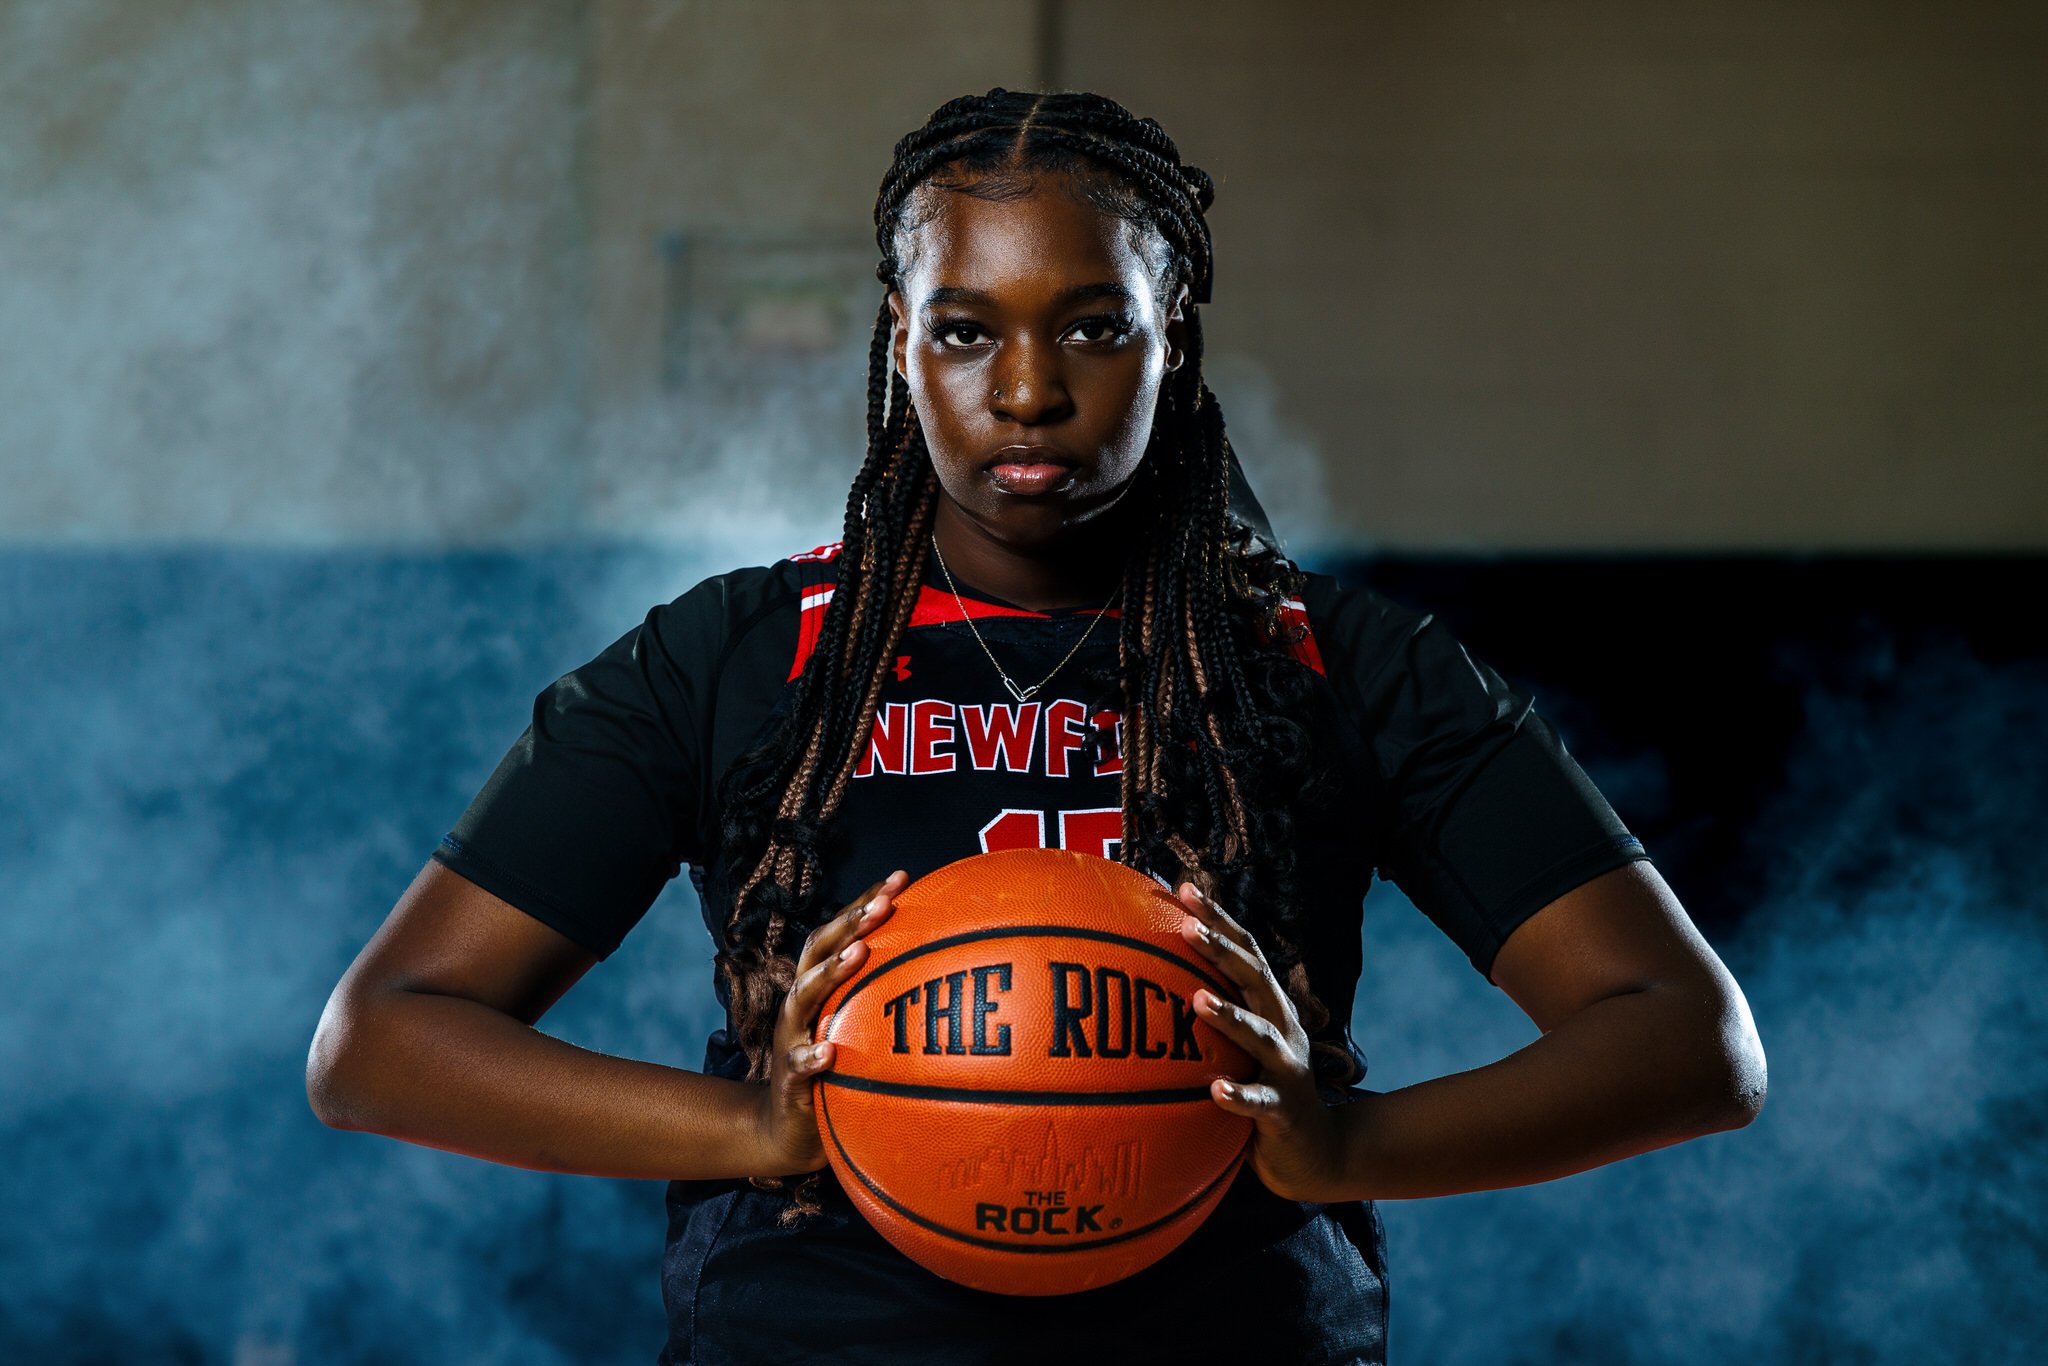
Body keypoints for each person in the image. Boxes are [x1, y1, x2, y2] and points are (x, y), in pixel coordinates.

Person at [307, 89, 1767, 1364]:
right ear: (900, 339)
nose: (1026, 390)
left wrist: (1352, 1146)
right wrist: (756, 1127)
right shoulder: (738, 658)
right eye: (964, 330)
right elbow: (379, 1040)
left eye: (1091, 326)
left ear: (1171, 336)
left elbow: (1692, 1038)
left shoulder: (1332, 661)